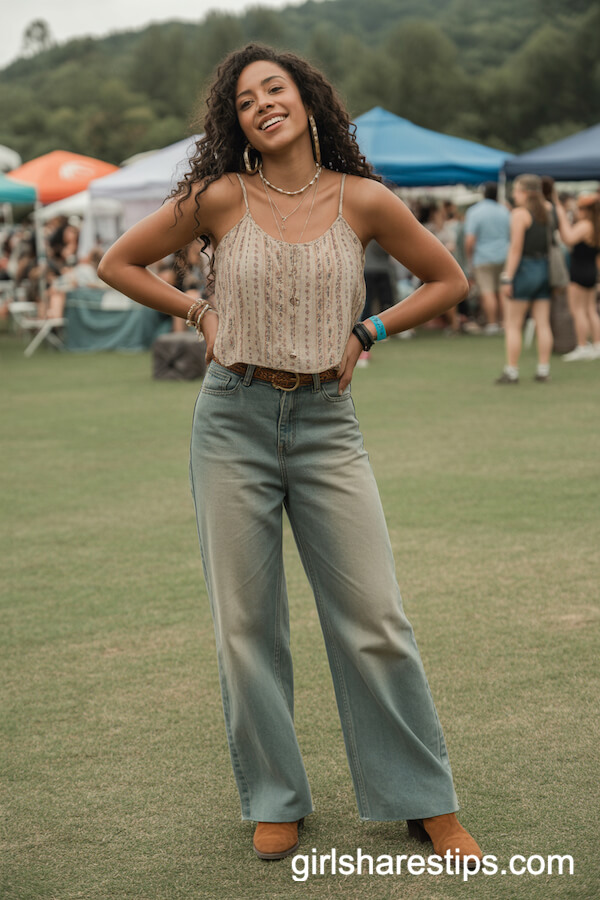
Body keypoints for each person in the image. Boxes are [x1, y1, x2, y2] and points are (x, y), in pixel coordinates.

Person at [98, 43, 482, 867]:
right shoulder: (219, 197)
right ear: (234, 122)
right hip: (230, 420)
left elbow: (447, 281)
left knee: (375, 617)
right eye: (245, 100)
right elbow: (117, 262)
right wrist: (196, 311)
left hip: (326, 425)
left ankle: (424, 802)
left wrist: (370, 329)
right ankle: (276, 799)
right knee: (245, 625)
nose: (262, 105)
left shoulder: (366, 199)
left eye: (275, 90)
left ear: (307, 101)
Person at [496, 174, 554, 384]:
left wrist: (507, 277)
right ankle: (543, 368)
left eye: (517, 190)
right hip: (545, 269)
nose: (514, 194)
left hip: (525, 270)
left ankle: (512, 371)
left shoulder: (520, 214)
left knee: (513, 324)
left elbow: (516, 249)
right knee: (543, 323)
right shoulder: (549, 209)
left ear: (526, 192)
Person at [554, 192, 600, 361]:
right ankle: (596, 344)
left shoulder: (585, 225)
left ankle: (582, 345)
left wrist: (561, 216)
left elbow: (568, 239)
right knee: (590, 310)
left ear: (587, 210)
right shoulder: (596, 225)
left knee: (578, 310)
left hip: (579, 271)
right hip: (591, 272)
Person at [464, 183, 510, 334]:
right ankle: (504, 322)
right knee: (502, 291)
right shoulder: (505, 210)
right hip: (504, 255)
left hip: (483, 257)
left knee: (487, 292)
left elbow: (470, 240)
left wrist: (469, 258)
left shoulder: (475, 211)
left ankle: (492, 324)